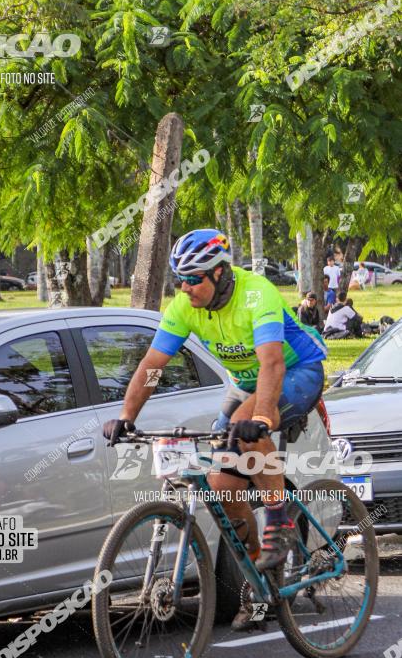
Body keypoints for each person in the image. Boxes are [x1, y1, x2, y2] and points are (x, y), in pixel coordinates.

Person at [102, 229, 327, 630]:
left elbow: (272, 364)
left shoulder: (257, 294)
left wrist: (260, 417)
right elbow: (153, 364)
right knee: (221, 485)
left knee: (248, 429)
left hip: (297, 371)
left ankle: (278, 518)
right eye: (179, 280)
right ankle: (262, 575)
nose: (185, 288)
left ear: (220, 273)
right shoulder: (183, 307)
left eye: (193, 279)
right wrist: (127, 416)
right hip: (246, 382)